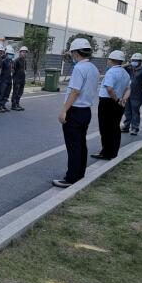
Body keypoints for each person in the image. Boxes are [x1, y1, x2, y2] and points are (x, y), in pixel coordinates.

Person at [53, 38, 99, 188]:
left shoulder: (79, 68)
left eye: (72, 53)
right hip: (86, 111)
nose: (71, 55)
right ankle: (79, 173)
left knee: (73, 146)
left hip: (75, 111)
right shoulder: (93, 68)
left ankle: (71, 178)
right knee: (81, 144)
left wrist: (64, 111)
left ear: (76, 53)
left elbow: (75, 91)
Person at [91, 50, 130, 160]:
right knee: (115, 128)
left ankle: (106, 153)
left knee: (105, 129)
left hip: (108, 103)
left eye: (108, 59)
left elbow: (109, 89)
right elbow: (128, 88)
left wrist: (117, 100)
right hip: (119, 103)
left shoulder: (111, 72)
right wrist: (123, 100)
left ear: (111, 60)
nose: (107, 61)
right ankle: (113, 152)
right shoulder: (125, 73)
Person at [122, 53, 142, 136]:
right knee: (127, 111)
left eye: (136, 60)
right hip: (127, 93)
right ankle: (126, 126)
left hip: (136, 94)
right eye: (133, 60)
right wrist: (128, 64)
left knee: (135, 111)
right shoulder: (129, 68)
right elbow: (120, 68)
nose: (134, 61)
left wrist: (141, 90)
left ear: (140, 61)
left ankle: (135, 128)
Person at [0, 45, 15, 112]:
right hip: (3, 80)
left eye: (12, 54)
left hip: (10, 80)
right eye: (10, 54)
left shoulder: (12, 62)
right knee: (2, 93)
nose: (11, 55)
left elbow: (12, 70)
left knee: (7, 94)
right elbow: (0, 70)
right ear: (7, 54)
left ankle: (3, 105)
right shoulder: (3, 61)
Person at [11, 46, 28, 111]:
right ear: (20, 52)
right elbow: (13, 70)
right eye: (23, 52)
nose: (24, 53)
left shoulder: (25, 61)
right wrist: (14, 78)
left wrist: (24, 79)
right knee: (15, 92)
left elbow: (25, 70)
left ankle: (17, 103)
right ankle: (13, 105)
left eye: (25, 52)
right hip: (17, 79)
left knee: (20, 92)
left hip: (22, 79)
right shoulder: (16, 60)